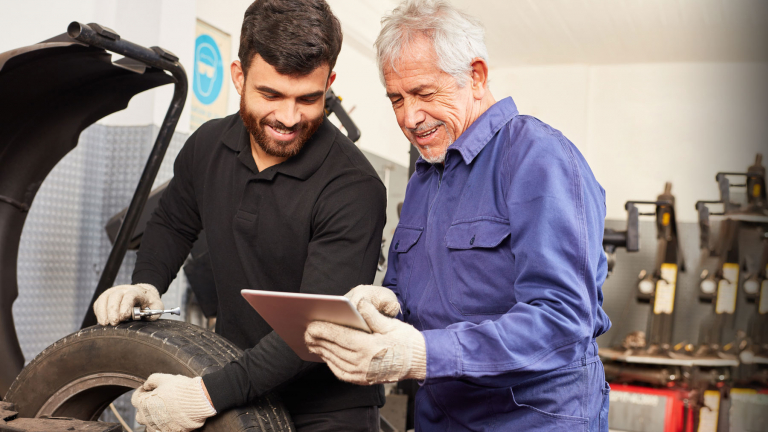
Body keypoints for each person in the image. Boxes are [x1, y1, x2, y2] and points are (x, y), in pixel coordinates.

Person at [304, 0, 612, 430]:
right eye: (397, 99)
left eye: (425, 93)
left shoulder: (536, 157)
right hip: (443, 415)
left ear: (477, 76)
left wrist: (423, 354)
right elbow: (420, 304)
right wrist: (386, 308)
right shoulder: (425, 176)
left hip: (531, 420)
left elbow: (562, 320)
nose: (409, 117)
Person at [92, 1, 387, 431]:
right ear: (238, 76)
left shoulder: (353, 186)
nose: (289, 118)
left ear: (330, 83)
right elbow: (174, 222)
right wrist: (147, 282)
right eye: (271, 95)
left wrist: (203, 395)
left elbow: (313, 331)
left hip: (325, 408)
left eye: (308, 98)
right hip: (237, 386)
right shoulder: (207, 146)